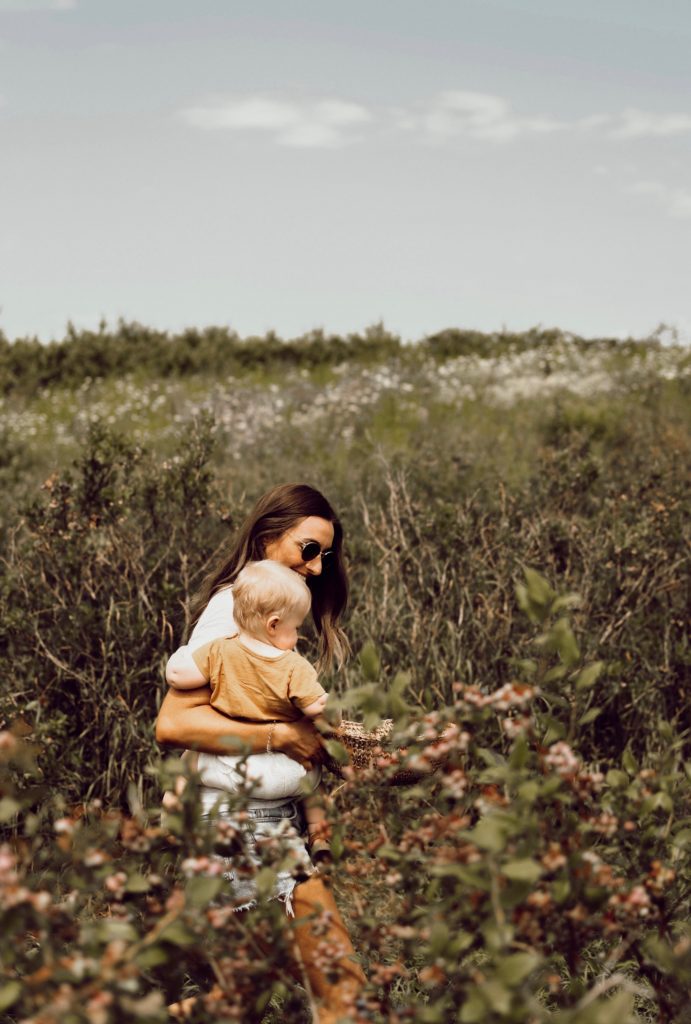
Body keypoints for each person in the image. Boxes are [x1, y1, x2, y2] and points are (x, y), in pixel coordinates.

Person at [156, 483, 365, 1024]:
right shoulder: (233, 611)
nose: (318, 567)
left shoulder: (271, 607)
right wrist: (284, 739)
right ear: (270, 536)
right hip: (243, 819)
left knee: (245, 1000)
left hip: (266, 818)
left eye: (327, 554)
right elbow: (174, 722)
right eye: (309, 549)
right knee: (341, 989)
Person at [165, 559, 335, 861]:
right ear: (273, 624)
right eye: (295, 628)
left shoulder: (218, 650)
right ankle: (319, 833)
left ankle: (172, 812)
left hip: (226, 751)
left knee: (187, 764)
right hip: (274, 760)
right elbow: (315, 706)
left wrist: (181, 655)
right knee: (314, 782)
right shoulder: (293, 665)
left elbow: (179, 676)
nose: (296, 636)